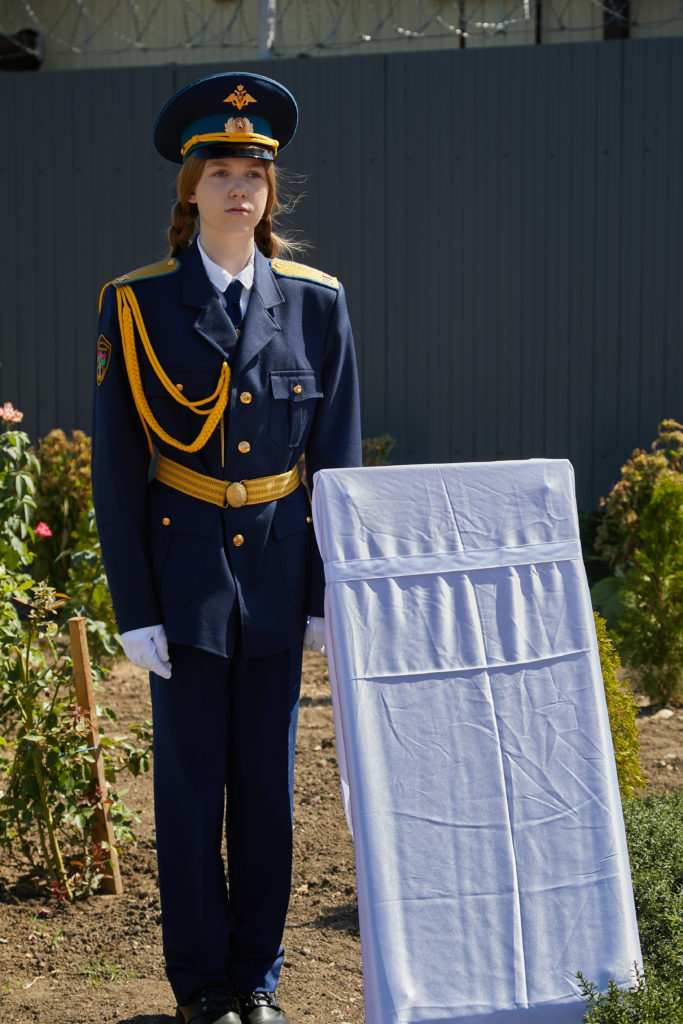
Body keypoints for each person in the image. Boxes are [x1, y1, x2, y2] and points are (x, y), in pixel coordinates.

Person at [91, 71, 361, 1024]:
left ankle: (256, 980)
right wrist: (135, 608)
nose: (239, 188)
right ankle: (202, 986)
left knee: (267, 798)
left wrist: (328, 593)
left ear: (270, 191)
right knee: (189, 794)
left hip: (279, 580)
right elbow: (117, 469)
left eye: (253, 174)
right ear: (191, 189)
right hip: (186, 583)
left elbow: (335, 463)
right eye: (220, 173)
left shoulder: (317, 304)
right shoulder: (135, 305)